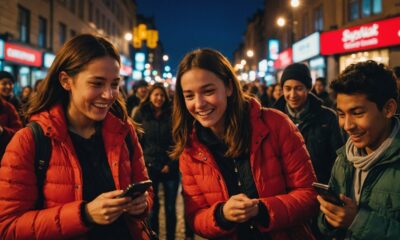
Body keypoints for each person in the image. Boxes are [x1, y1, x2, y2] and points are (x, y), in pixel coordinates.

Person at [0, 34, 153, 239]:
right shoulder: (30, 140)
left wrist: (141, 204)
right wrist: (85, 214)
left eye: (114, 84)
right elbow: (7, 227)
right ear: (66, 81)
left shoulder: (124, 132)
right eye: (97, 83)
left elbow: (146, 191)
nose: (108, 95)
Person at [170, 48, 318, 239]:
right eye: (189, 96)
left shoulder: (276, 124)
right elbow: (195, 216)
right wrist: (222, 215)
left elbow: (310, 196)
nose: (199, 104)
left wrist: (261, 210)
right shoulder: (190, 149)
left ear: (229, 87)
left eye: (208, 91)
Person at [318, 61, 400, 239]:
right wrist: (328, 217)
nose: (347, 126)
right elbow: (324, 226)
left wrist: (357, 221)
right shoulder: (344, 158)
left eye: (357, 113)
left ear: (388, 108)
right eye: (341, 114)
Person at [273, 63, 344, 185]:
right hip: (287, 192)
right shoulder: (274, 118)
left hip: (319, 189)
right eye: (288, 88)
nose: (293, 95)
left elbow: (340, 160)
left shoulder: (328, 117)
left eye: (299, 88)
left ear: (308, 88)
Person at [132, 83, 179, 240]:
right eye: (155, 95)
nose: (158, 98)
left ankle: (171, 236)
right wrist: (146, 162)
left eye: (161, 95)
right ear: (150, 96)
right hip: (150, 167)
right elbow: (136, 142)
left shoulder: (173, 114)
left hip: (170, 167)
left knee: (171, 207)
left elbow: (179, 142)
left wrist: (170, 163)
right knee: (153, 207)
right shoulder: (141, 113)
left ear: (166, 97)